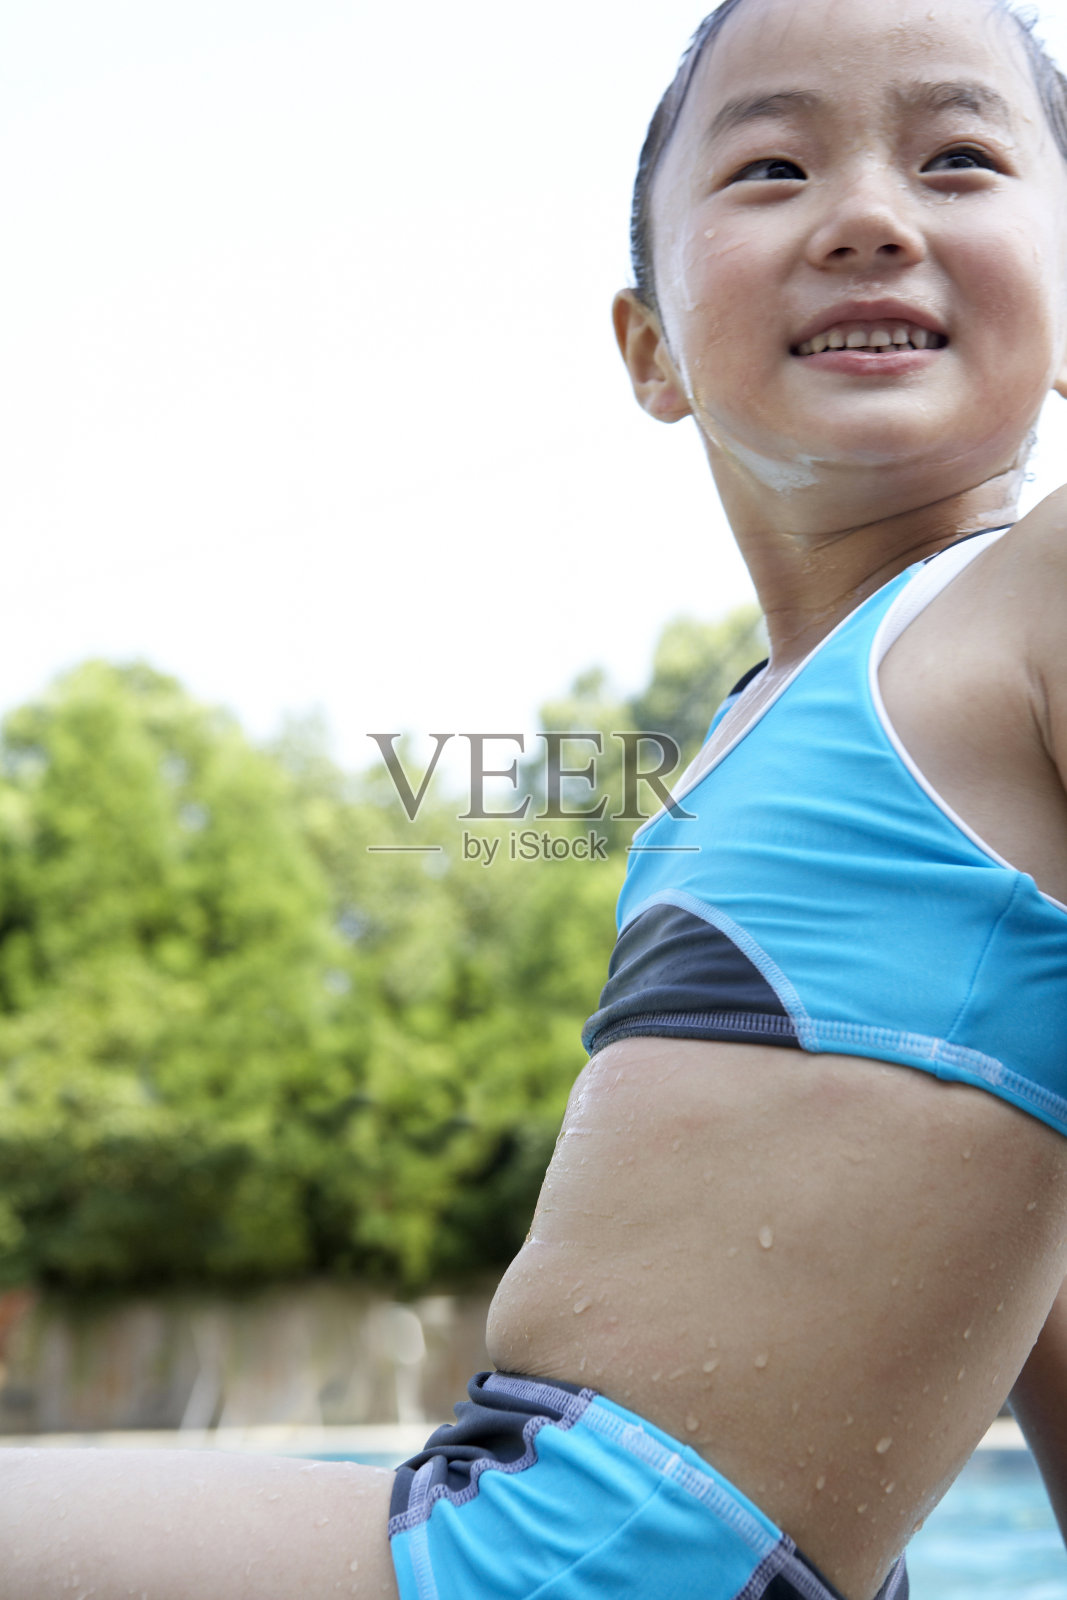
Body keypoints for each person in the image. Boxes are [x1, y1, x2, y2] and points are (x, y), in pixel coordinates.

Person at [4, 0, 1067, 1596]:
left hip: (569, 1557)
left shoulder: (1035, 602)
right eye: (773, 165)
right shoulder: (749, 738)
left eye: (962, 158)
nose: (865, 215)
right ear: (648, 350)